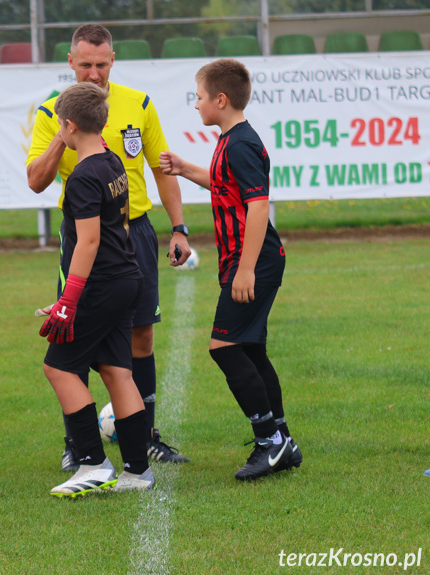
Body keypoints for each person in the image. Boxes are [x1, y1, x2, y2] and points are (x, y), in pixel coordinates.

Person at [26, 24, 191, 472]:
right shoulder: (50, 113)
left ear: (113, 60)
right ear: (70, 62)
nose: (94, 74)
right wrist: (64, 131)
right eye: (85, 65)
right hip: (82, 237)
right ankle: (75, 442)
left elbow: (162, 169)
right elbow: (36, 181)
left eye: (101, 65)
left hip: (135, 231)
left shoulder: (137, 103)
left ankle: (146, 436)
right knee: (73, 337)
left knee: (140, 335)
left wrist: (179, 228)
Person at [159, 58, 301, 480]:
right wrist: (186, 169)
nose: (196, 104)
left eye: (199, 97)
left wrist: (246, 269)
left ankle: (269, 443)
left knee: (223, 348)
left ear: (220, 100)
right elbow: (227, 186)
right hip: (247, 262)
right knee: (251, 351)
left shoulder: (239, 143)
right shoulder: (230, 138)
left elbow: (258, 205)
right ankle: (282, 441)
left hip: (253, 264)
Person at [41, 82, 154, 497]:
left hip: (100, 285)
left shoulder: (84, 176)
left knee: (59, 368)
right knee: (117, 372)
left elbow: (88, 242)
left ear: (69, 126)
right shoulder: (112, 161)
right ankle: (137, 472)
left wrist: (68, 301)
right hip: (126, 279)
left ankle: (93, 463)